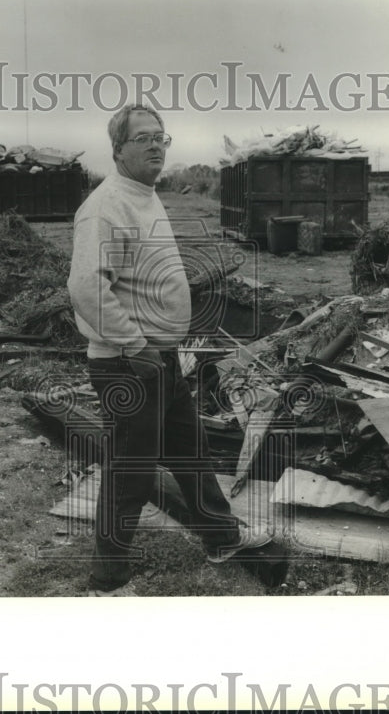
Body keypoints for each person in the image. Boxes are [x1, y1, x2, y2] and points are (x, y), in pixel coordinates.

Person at [67, 104, 270, 596]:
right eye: (143, 139)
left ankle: (222, 539)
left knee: (190, 454)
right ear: (118, 149)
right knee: (130, 474)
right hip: (128, 363)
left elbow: (128, 276)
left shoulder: (144, 194)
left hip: (159, 359)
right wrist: (136, 345)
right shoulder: (106, 207)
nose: (156, 145)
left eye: (162, 137)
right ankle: (107, 581)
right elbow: (87, 287)